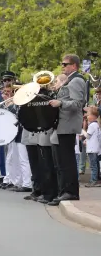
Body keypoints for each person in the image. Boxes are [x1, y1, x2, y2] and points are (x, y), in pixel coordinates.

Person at [47, 54, 86, 206]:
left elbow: (78, 103)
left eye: (65, 64)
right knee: (62, 162)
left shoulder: (76, 80)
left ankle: (70, 192)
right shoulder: (71, 80)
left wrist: (60, 103)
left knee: (67, 162)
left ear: (74, 66)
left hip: (68, 126)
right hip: (63, 125)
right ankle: (64, 191)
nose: (62, 67)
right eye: (62, 64)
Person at [81, 106, 100, 187]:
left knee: (93, 166)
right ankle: (95, 179)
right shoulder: (97, 125)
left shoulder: (92, 125)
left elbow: (88, 136)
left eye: (89, 114)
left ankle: (93, 180)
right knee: (95, 165)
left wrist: (82, 130)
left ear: (94, 116)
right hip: (95, 148)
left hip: (92, 149)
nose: (87, 116)